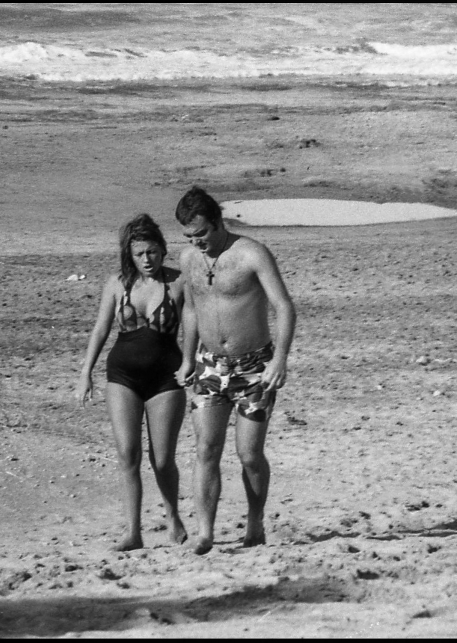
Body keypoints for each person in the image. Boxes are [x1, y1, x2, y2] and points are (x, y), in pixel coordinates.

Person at [173, 186, 296, 555]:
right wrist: (187, 357)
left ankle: (255, 522)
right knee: (206, 448)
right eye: (190, 237)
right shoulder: (189, 259)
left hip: (254, 367)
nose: (199, 243)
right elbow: (192, 309)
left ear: (218, 222)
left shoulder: (251, 253)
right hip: (210, 365)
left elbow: (284, 307)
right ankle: (205, 532)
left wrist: (280, 360)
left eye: (203, 234)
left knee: (249, 454)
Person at [76, 213, 188, 551]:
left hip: (166, 377)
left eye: (152, 252)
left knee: (163, 458)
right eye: (139, 254)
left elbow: (197, 324)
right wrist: (85, 373)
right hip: (122, 375)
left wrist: (193, 363)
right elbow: (100, 329)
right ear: (129, 254)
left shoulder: (180, 283)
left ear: (162, 249)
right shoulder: (116, 284)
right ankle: (133, 531)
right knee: (128, 454)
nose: (147, 260)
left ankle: (173, 515)